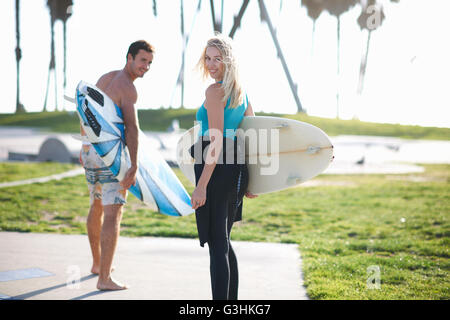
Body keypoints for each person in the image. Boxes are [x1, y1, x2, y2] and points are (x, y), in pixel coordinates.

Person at [79, 40, 154, 291]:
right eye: (143, 60)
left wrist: (84, 147)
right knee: (114, 212)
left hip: (91, 150)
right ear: (130, 57)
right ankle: (105, 280)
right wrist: (133, 165)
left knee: (97, 205)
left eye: (150, 63)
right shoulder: (128, 89)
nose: (146, 66)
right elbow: (132, 129)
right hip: (110, 157)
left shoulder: (105, 78)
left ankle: (98, 265)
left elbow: (86, 110)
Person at [190, 34, 258, 300]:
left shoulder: (215, 91)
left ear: (229, 60)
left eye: (217, 58)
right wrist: (251, 182)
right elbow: (252, 138)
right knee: (224, 242)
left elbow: (215, 140)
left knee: (217, 245)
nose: (211, 63)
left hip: (215, 166)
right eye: (207, 58)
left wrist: (201, 186)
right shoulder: (242, 95)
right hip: (235, 167)